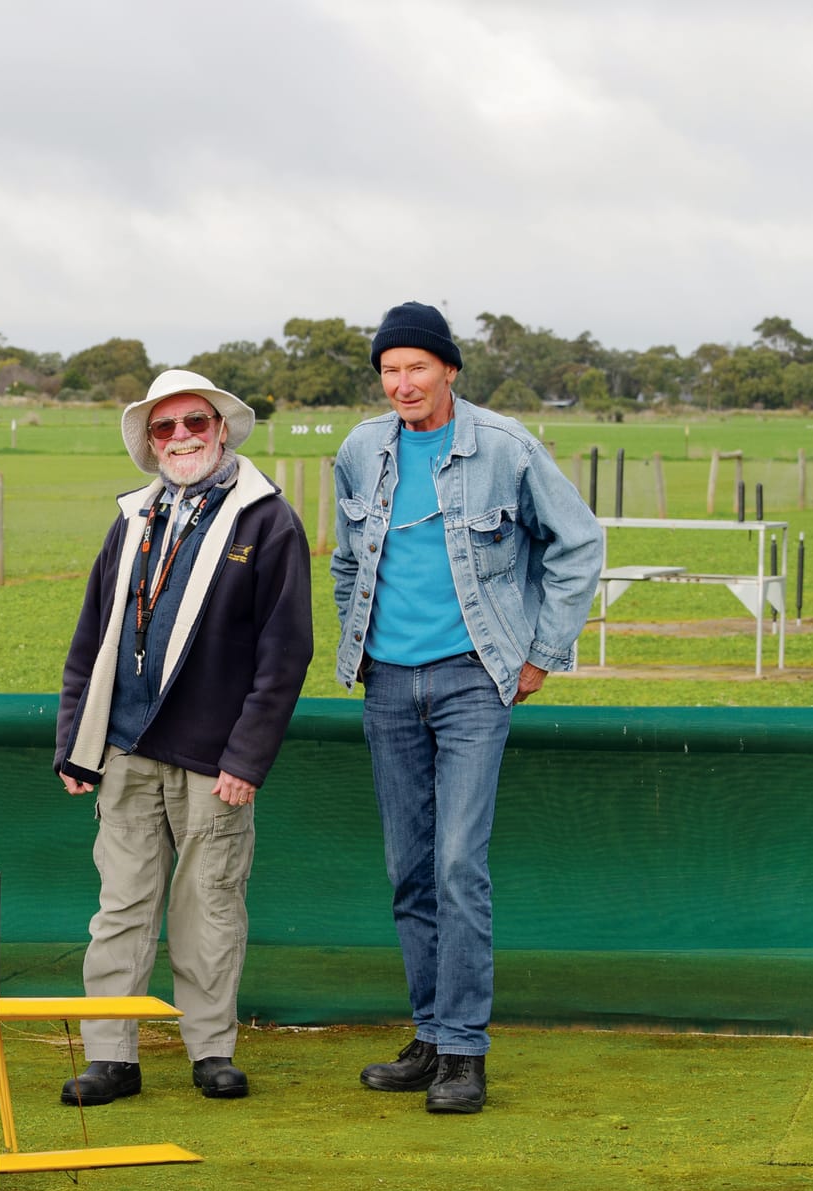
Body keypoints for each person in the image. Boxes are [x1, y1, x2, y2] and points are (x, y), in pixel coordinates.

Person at [332, 303, 602, 1113]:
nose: (403, 383)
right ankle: (428, 1032)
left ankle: (464, 1052)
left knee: (457, 863)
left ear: (449, 369)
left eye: (417, 366)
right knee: (407, 868)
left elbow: (579, 543)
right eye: (390, 370)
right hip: (387, 683)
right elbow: (348, 561)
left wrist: (540, 655)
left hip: (472, 680)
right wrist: (359, 640)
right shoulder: (359, 450)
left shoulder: (506, 447)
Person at [54, 369, 313, 1105]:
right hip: (128, 747)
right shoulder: (132, 521)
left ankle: (211, 1051)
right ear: (149, 442)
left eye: (194, 422)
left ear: (221, 428)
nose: (181, 438)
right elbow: (90, 641)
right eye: (164, 429)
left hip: (215, 757)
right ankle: (111, 1053)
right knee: (122, 905)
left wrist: (247, 756)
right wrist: (77, 740)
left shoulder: (267, 519)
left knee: (210, 901)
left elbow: (284, 653)